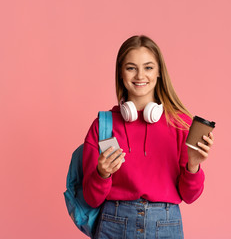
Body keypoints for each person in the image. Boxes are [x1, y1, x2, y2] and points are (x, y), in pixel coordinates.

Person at [82, 35, 215, 239]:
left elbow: (190, 196)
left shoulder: (180, 124)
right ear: (120, 72)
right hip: (114, 224)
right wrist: (102, 174)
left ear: (159, 71)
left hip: (166, 224)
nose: (140, 75)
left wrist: (193, 167)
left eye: (148, 67)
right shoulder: (104, 125)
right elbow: (91, 199)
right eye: (131, 67)